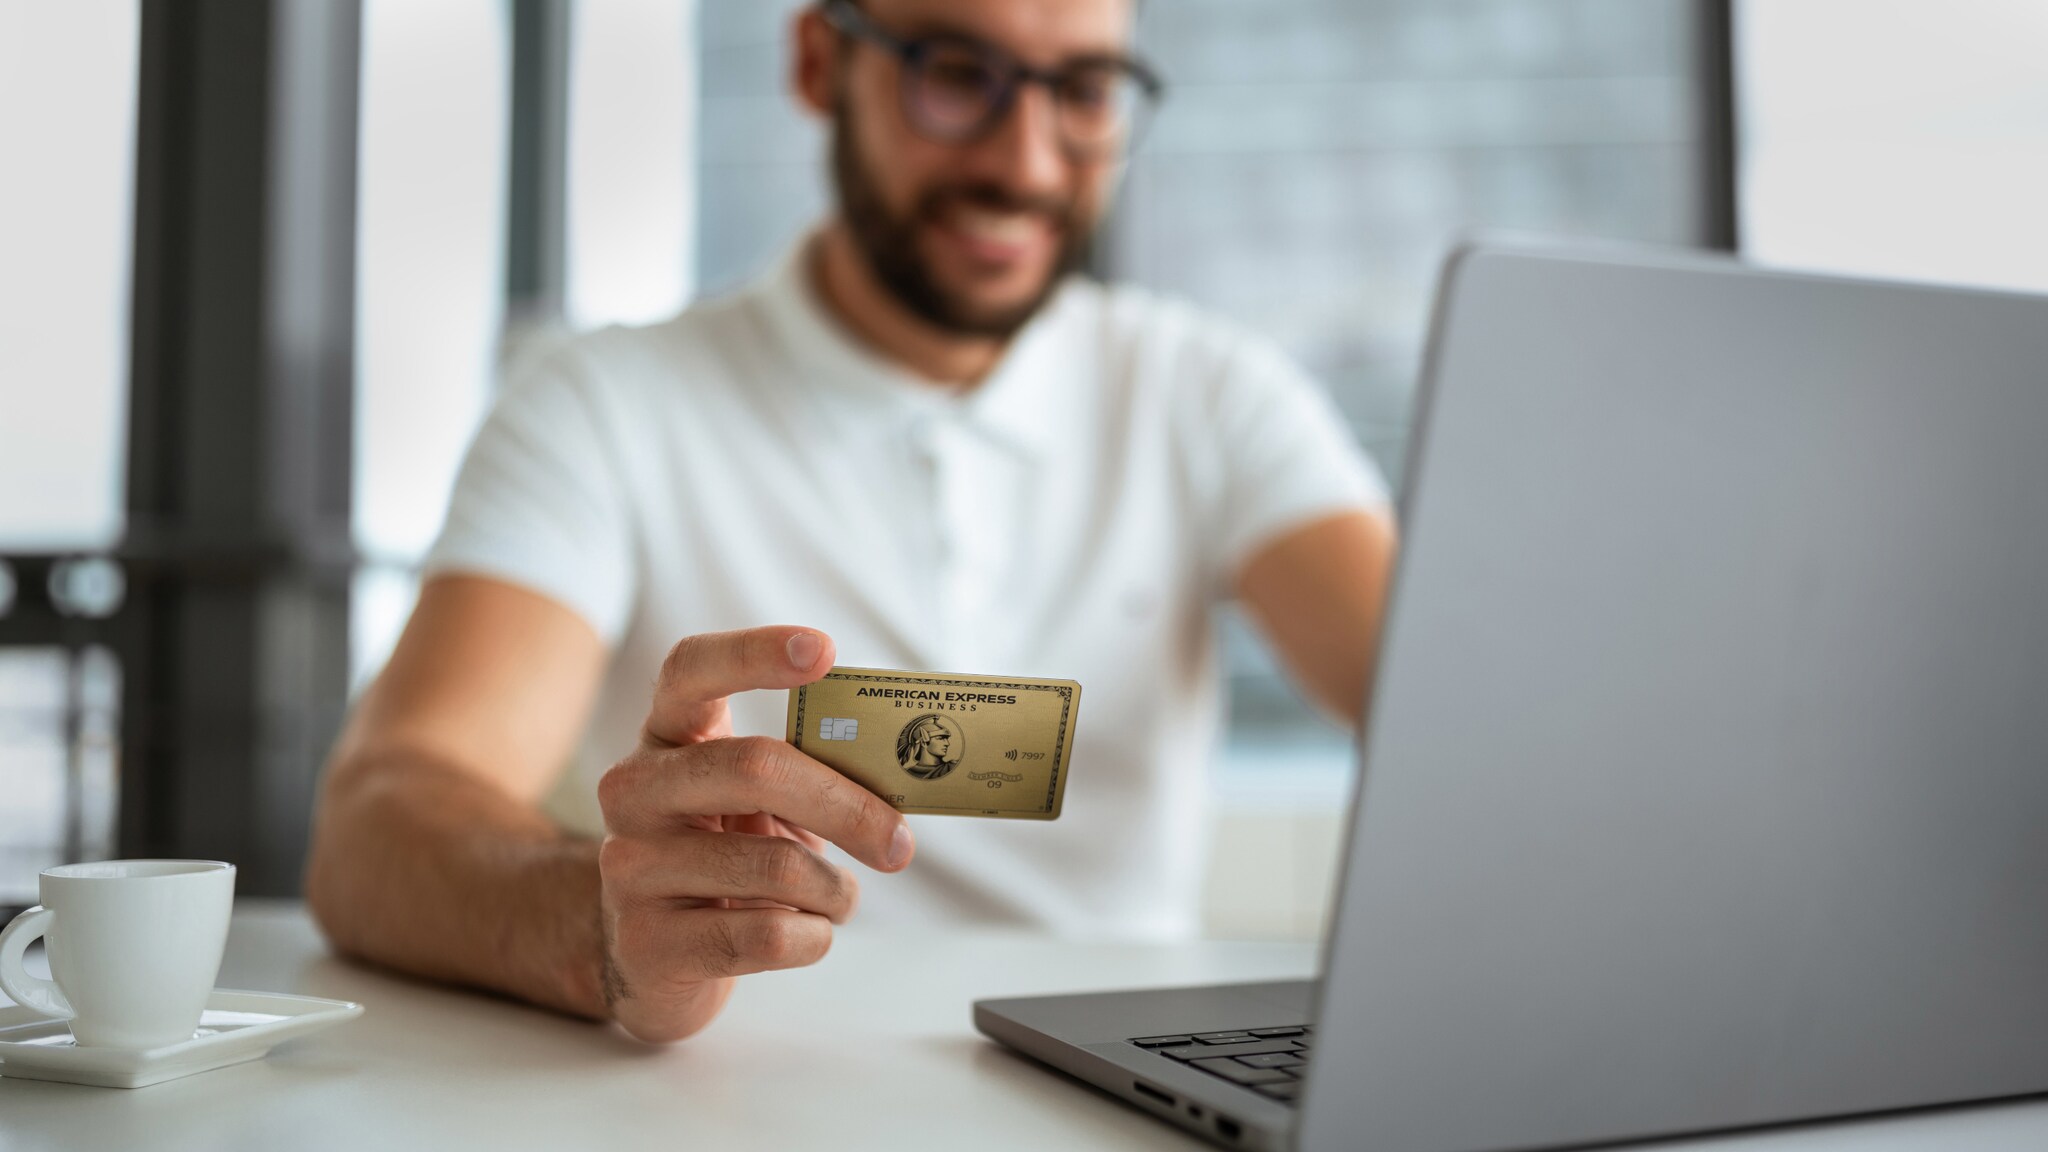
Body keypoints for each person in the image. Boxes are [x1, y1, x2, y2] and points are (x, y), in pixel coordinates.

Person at [306, 0, 1397, 1045]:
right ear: (819, 63)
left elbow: (1452, 721)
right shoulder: (603, 406)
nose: (1026, 163)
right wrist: (604, 927)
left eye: (1084, 88)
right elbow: (377, 825)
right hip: (731, 1102)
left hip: (1125, 1098)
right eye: (956, 74)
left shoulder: (1211, 397)